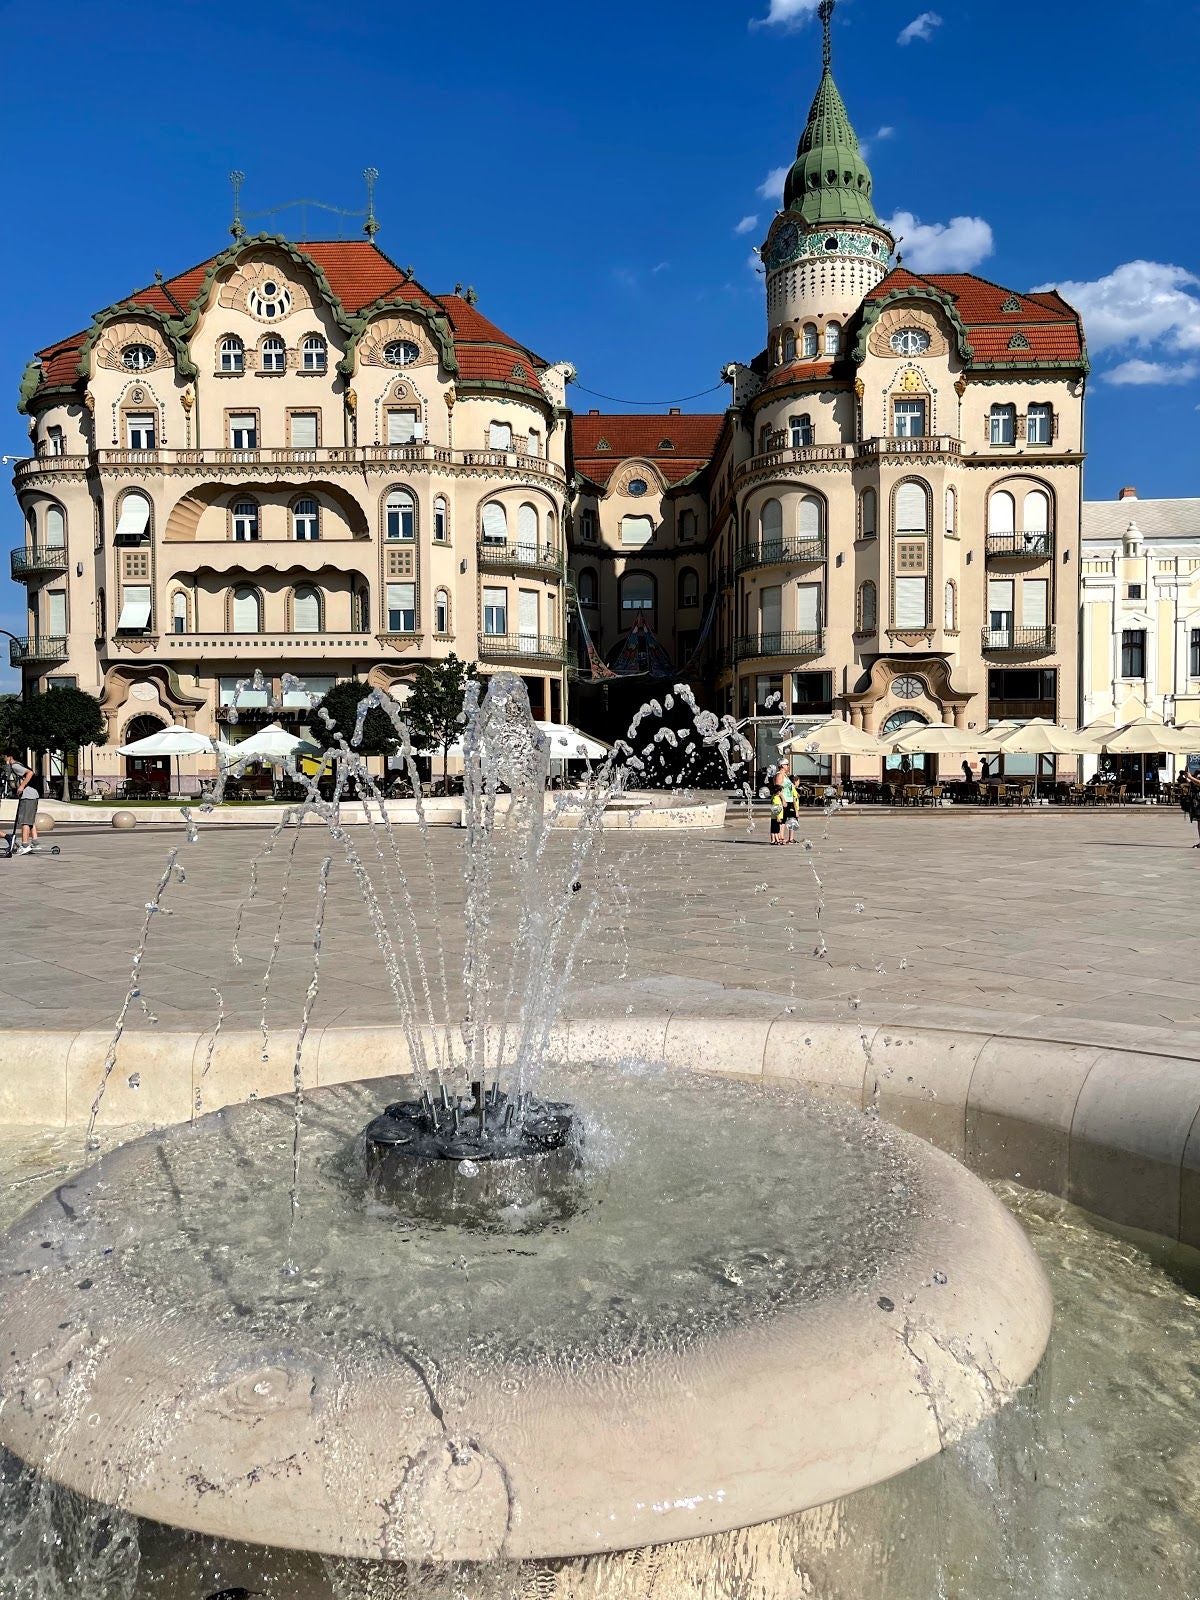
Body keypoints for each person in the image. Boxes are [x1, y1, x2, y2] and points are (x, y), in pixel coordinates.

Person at [3, 752, 40, 856]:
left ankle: (25, 846)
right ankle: (35, 842)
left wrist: (21, 786)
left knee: (25, 821)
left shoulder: (15, 766)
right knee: (29, 820)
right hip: (31, 795)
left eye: (5, 757)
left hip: (28, 795)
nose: (4, 759)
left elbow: (30, 773)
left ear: (10, 757)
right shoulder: (18, 764)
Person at [1179, 767, 1200, 847]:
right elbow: (1193, 784)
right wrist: (1188, 778)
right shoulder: (1197, 772)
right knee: (1199, 823)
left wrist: (1191, 777)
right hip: (1197, 801)